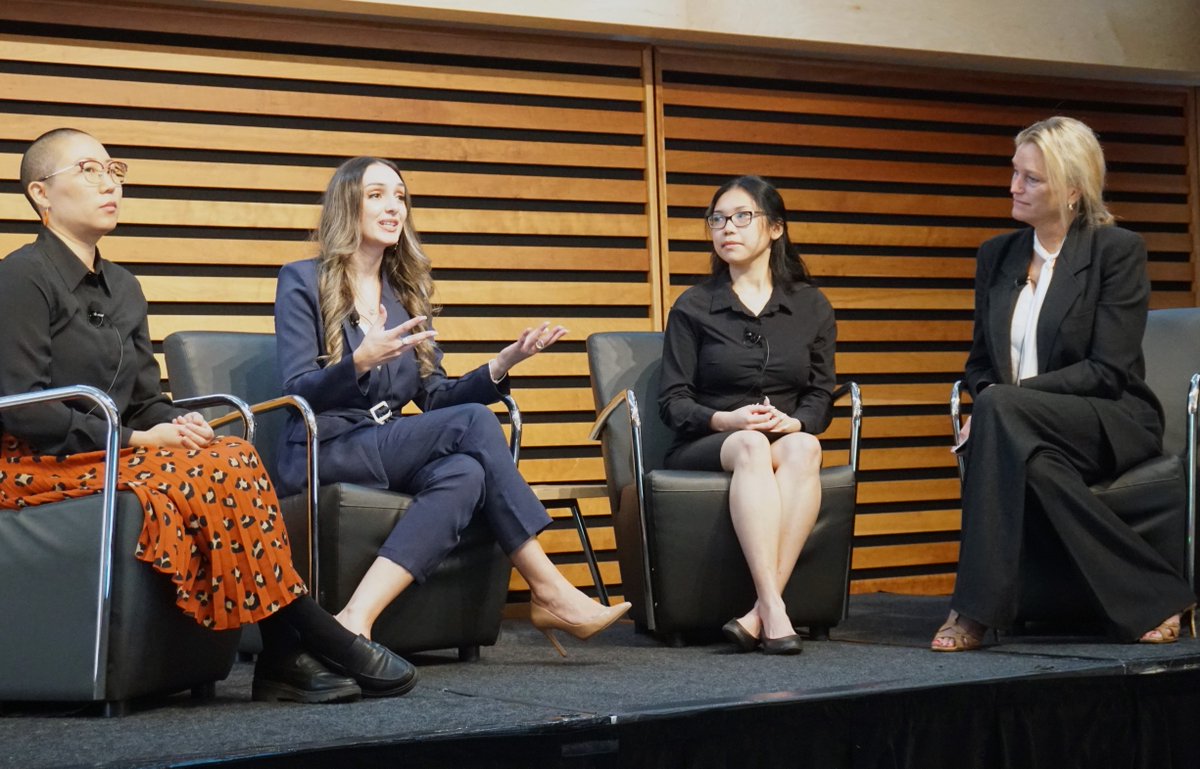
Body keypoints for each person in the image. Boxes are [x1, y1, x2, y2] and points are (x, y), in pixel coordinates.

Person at [0, 128, 418, 704]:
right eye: (89, 171)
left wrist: (171, 424)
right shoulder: (20, 277)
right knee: (203, 472)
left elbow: (145, 397)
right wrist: (138, 438)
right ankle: (310, 637)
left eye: (113, 169)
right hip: (38, 461)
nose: (109, 183)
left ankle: (282, 654)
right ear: (42, 196)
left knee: (228, 452)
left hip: (117, 447)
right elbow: (26, 407)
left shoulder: (124, 287)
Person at [273, 156, 630, 657]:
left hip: (381, 443)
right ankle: (548, 587)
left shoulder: (403, 295)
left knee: (465, 471)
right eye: (376, 195)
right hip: (322, 447)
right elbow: (296, 390)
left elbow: (436, 396)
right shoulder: (301, 279)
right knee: (473, 425)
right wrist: (358, 362)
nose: (393, 206)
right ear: (345, 204)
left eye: (399, 195)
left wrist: (500, 366)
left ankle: (356, 618)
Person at [932, 116, 1195, 652]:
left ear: (1072, 188)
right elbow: (979, 362)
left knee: (1001, 412)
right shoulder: (996, 255)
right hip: (1025, 430)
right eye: (1014, 173)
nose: (1013, 187)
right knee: (1031, 460)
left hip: (1108, 418)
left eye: (1030, 178)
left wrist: (1000, 404)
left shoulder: (1116, 251)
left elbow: (1106, 370)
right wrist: (992, 401)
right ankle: (1158, 593)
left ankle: (973, 611)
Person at [658, 175, 836, 655]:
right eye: (717, 220)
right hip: (709, 441)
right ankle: (775, 608)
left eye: (742, 217)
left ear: (776, 228)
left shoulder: (811, 306)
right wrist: (728, 420)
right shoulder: (694, 307)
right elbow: (673, 402)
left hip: (780, 436)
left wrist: (795, 422)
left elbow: (821, 396)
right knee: (753, 444)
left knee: (805, 446)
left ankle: (761, 610)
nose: (726, 229)